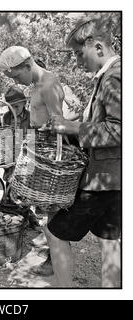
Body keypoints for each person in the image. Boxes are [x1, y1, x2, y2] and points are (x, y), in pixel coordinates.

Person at [45, 16, 121, 287]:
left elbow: (120, 131)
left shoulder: (115, 77)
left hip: (102, 181)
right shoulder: (110, 76)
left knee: (54, 233)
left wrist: (73, 128)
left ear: (97, 47)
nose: (78, 61)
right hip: (116, 180)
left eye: (79, 54)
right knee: (110, 242)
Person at [0, 46, 66, 276]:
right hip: (37, 146)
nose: (18, 80)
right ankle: (52, 247)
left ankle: (54, 257)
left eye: (17, 76)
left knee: (51, 209)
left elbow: (60, 124)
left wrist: (46, 150)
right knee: (39, 204)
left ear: (27, 66)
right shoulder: (35, 85)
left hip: (48, 151)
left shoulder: (48, 84)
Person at [2, 85, 41, 231]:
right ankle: (15, 217)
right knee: (10, 187)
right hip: (11, 155)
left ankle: (29, 215)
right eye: (10, 106)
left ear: (24, 103)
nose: (13, 109)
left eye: (16, 106)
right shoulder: (6, 117)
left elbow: (33, 137)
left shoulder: (30, 117)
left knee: (25, 188)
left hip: (26, 155)